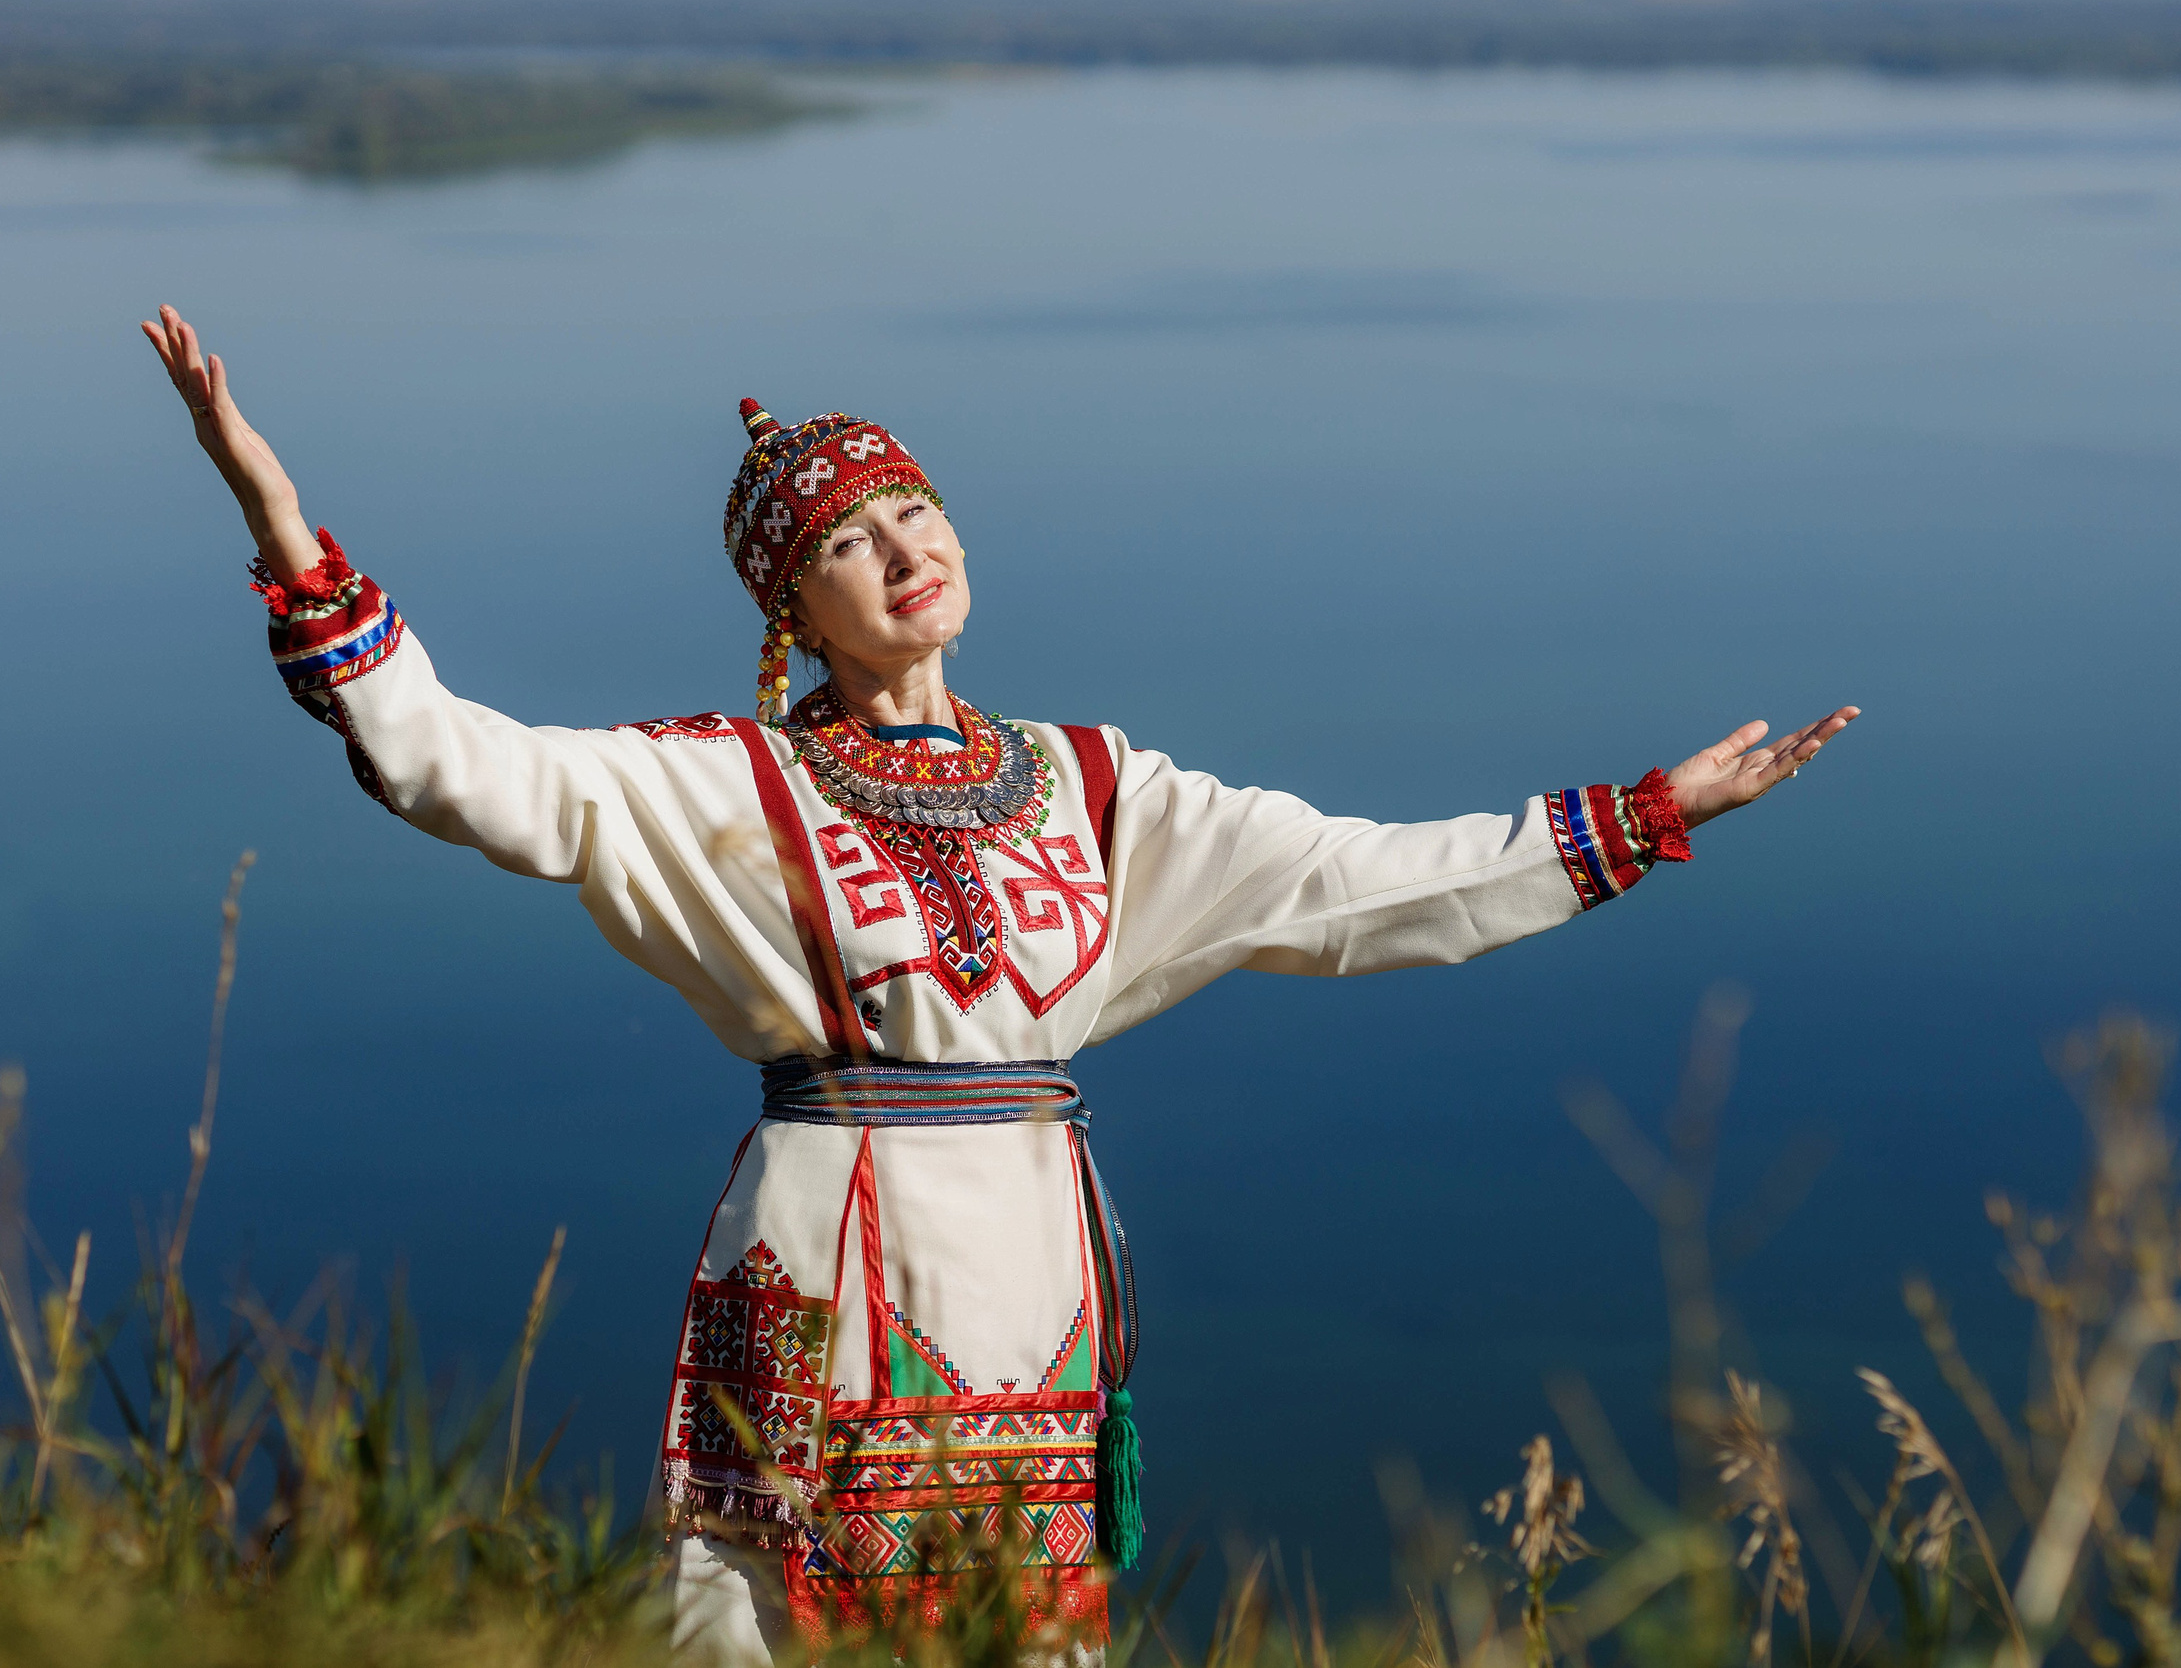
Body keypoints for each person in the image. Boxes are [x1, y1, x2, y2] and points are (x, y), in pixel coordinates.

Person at [142, 302, 1857, 1664]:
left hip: (1034, 1261)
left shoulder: (1094, 784)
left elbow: (1357, 881)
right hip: (831, 1250)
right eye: (849, 543)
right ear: (795, 609)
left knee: (1021, 1627)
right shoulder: (729, 780)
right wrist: (286, 528)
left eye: (914, 512)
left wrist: (1642, 815)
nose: (902, 550)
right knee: (778, 1615)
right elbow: (463, 764)